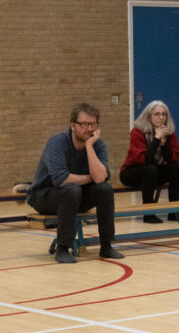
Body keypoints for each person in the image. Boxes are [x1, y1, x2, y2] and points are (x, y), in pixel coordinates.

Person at [26, 103, 124, 263]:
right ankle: (63, 248)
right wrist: (91, 177)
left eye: (93, 124)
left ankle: (106, 246)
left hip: (74, 195)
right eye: (84, 124)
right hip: (43, 195)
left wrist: (89, 147)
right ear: (73, 125)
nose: (89, 129)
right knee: (71, 189)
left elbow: (101, 179)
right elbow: (61, 179)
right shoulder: (57, 142)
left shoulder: (97, 144)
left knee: (104, 189)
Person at [119, 100, 179, 224]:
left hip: (153, 172)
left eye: (164, 114)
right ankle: (148, 213)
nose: (161, 117)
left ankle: (174, 212)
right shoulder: (137, 132)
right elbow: (145, 159)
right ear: (149, 116)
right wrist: (157, 138)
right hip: (131, 172)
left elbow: (173, 158)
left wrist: (164, 144)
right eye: (157, 114)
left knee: (176, 168)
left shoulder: (169, 133)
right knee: (150, 169)